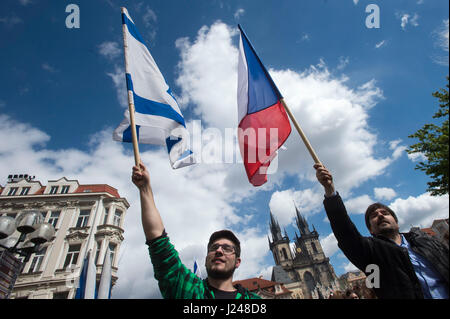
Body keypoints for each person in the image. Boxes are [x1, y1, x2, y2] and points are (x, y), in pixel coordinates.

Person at [314, 163, 449, 299]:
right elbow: (345, 232)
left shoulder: (425, 240)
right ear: (371, 230)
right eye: (374, 216)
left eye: (384, 212)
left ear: (396, 221)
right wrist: (330, 191)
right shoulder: (372, 252)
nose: (380, 215)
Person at [131, 162, 260, 299]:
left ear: (237, 262)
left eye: (227, 248)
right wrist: (145, 189)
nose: (219, 251)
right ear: (205, 260)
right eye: (214, 248)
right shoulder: (189, 290)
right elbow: (158, 240)